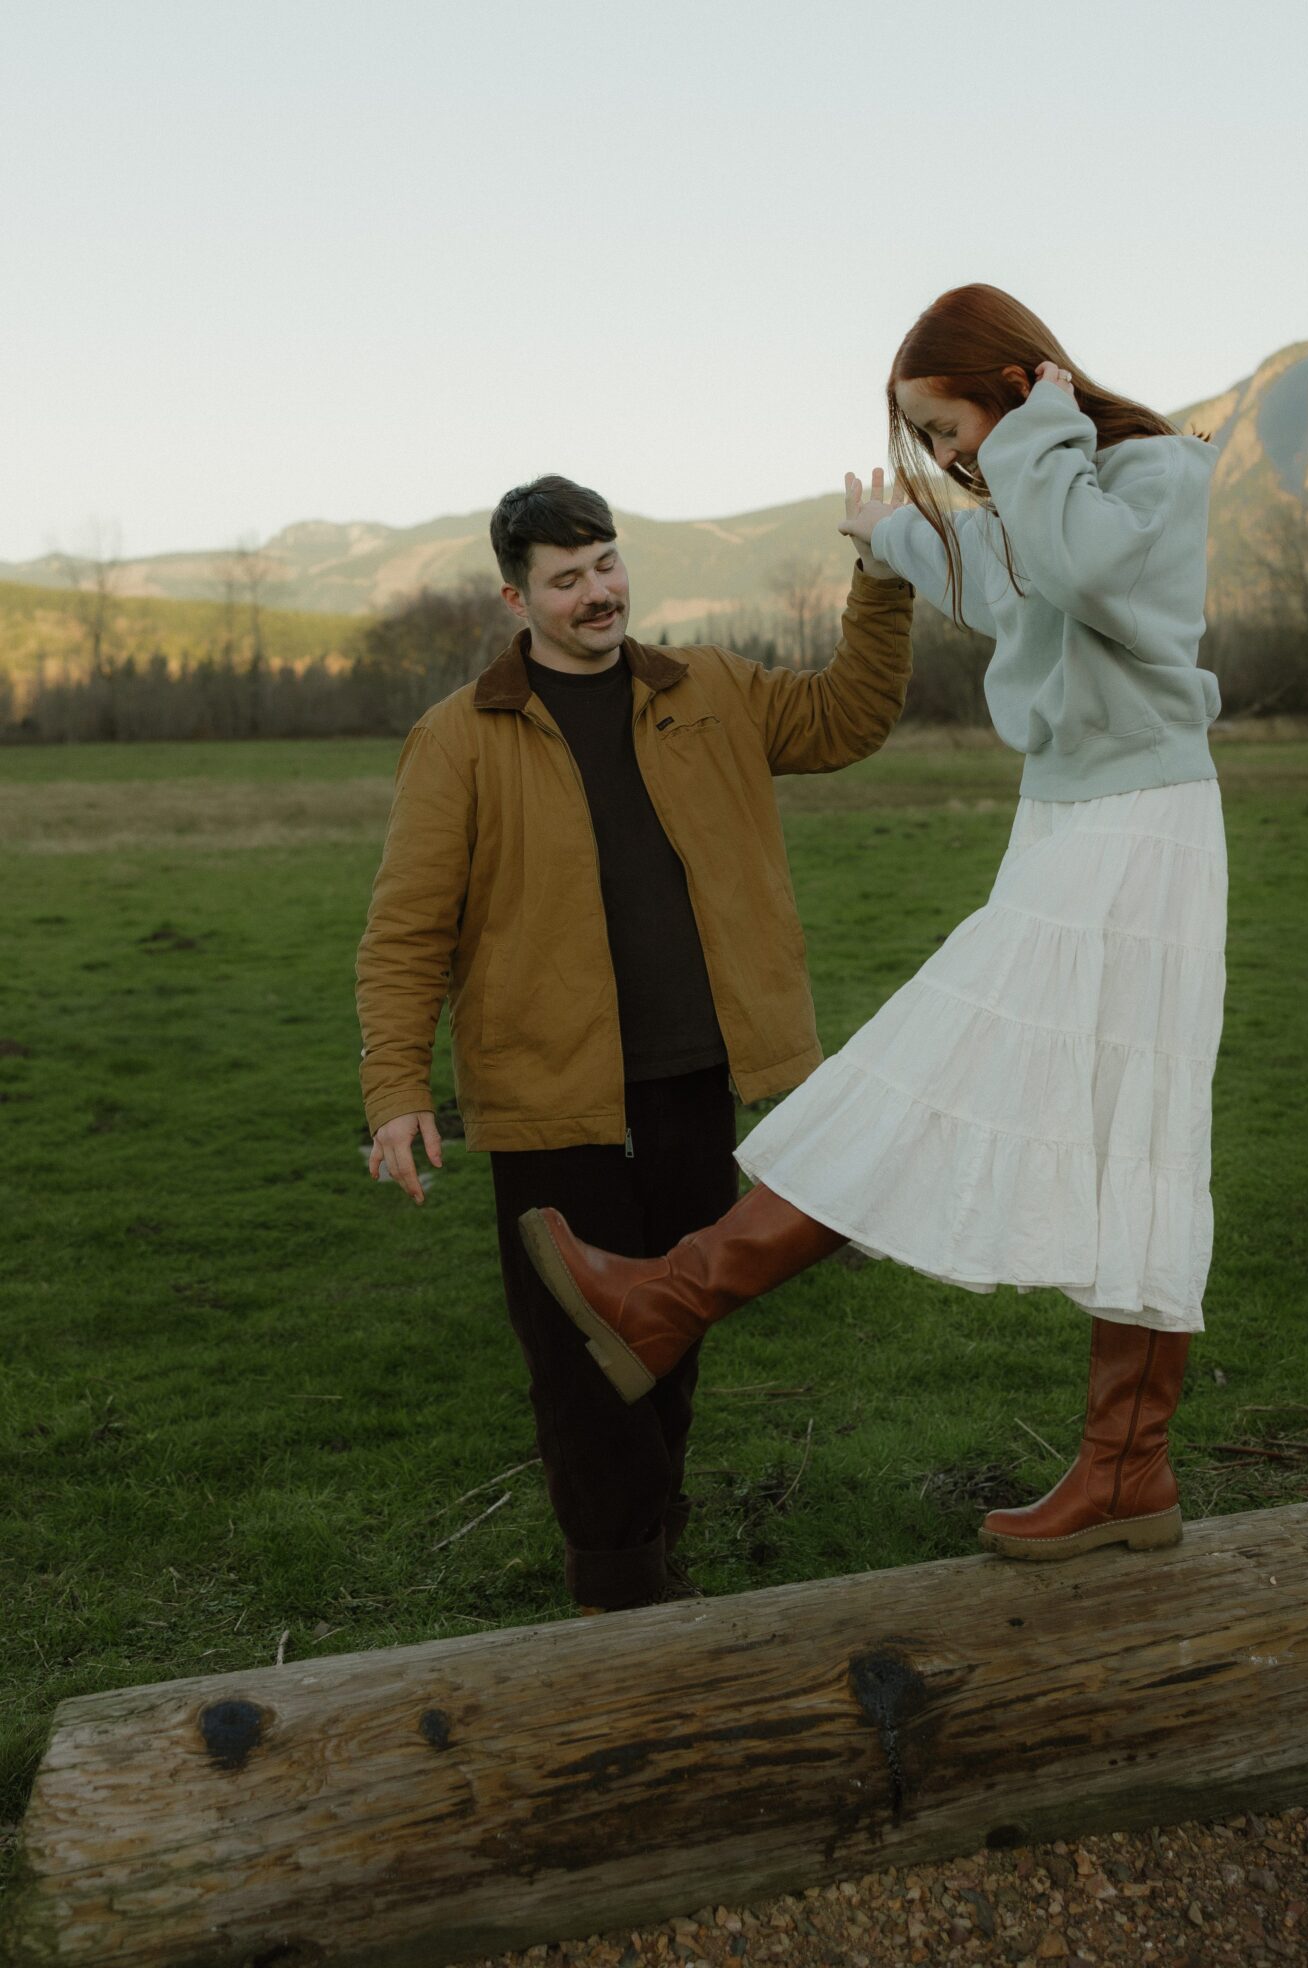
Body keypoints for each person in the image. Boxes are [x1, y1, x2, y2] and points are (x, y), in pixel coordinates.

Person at [520, 285, 1225, 1564]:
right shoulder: (1045, 480)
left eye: (946, 426)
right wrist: (890, 539)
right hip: (1072, 822)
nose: (951, 457)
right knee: (992, 1087)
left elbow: (1078, 568)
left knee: (1078, 1112)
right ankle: (1130, 1468)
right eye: (933, 442)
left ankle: (678, 1296)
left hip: (1145, 829)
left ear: (1012, 383)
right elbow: (1016, 594)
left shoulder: (1150, 472)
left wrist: (1034, 435)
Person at [356, 472, 914, 1612]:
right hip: (549, 1098)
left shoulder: (707, 687)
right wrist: (394, 1086)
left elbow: (849, 716)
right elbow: (407, 929)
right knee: (576, 1363)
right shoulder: (461, 739)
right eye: (566, 580)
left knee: (670, 1325)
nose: (598, 593)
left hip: (691, 1080)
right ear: (517, 599)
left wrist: (883, 574)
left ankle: (651, 1540)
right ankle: (620, 1585)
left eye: (606, 563)